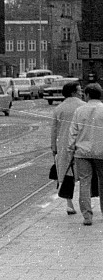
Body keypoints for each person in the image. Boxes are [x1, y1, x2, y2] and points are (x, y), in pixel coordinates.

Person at [68, 82, 103, 226]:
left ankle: (87, 216)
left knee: (84, 183)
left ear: (87, 95)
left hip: (82, 153)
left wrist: (71, 150)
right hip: (101, 151)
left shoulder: (79, 111)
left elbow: (73, 132)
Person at [51, 80, 85, 215]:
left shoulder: (58, 108)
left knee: (66, 174)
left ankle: (69, 204)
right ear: (73, 92)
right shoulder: (84, 106)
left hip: (63, 146)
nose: (81, 93)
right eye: (80, 91)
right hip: (81, 144)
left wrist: (54, 148)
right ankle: (85, 204)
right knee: (85, 176)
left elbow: (54, 130)